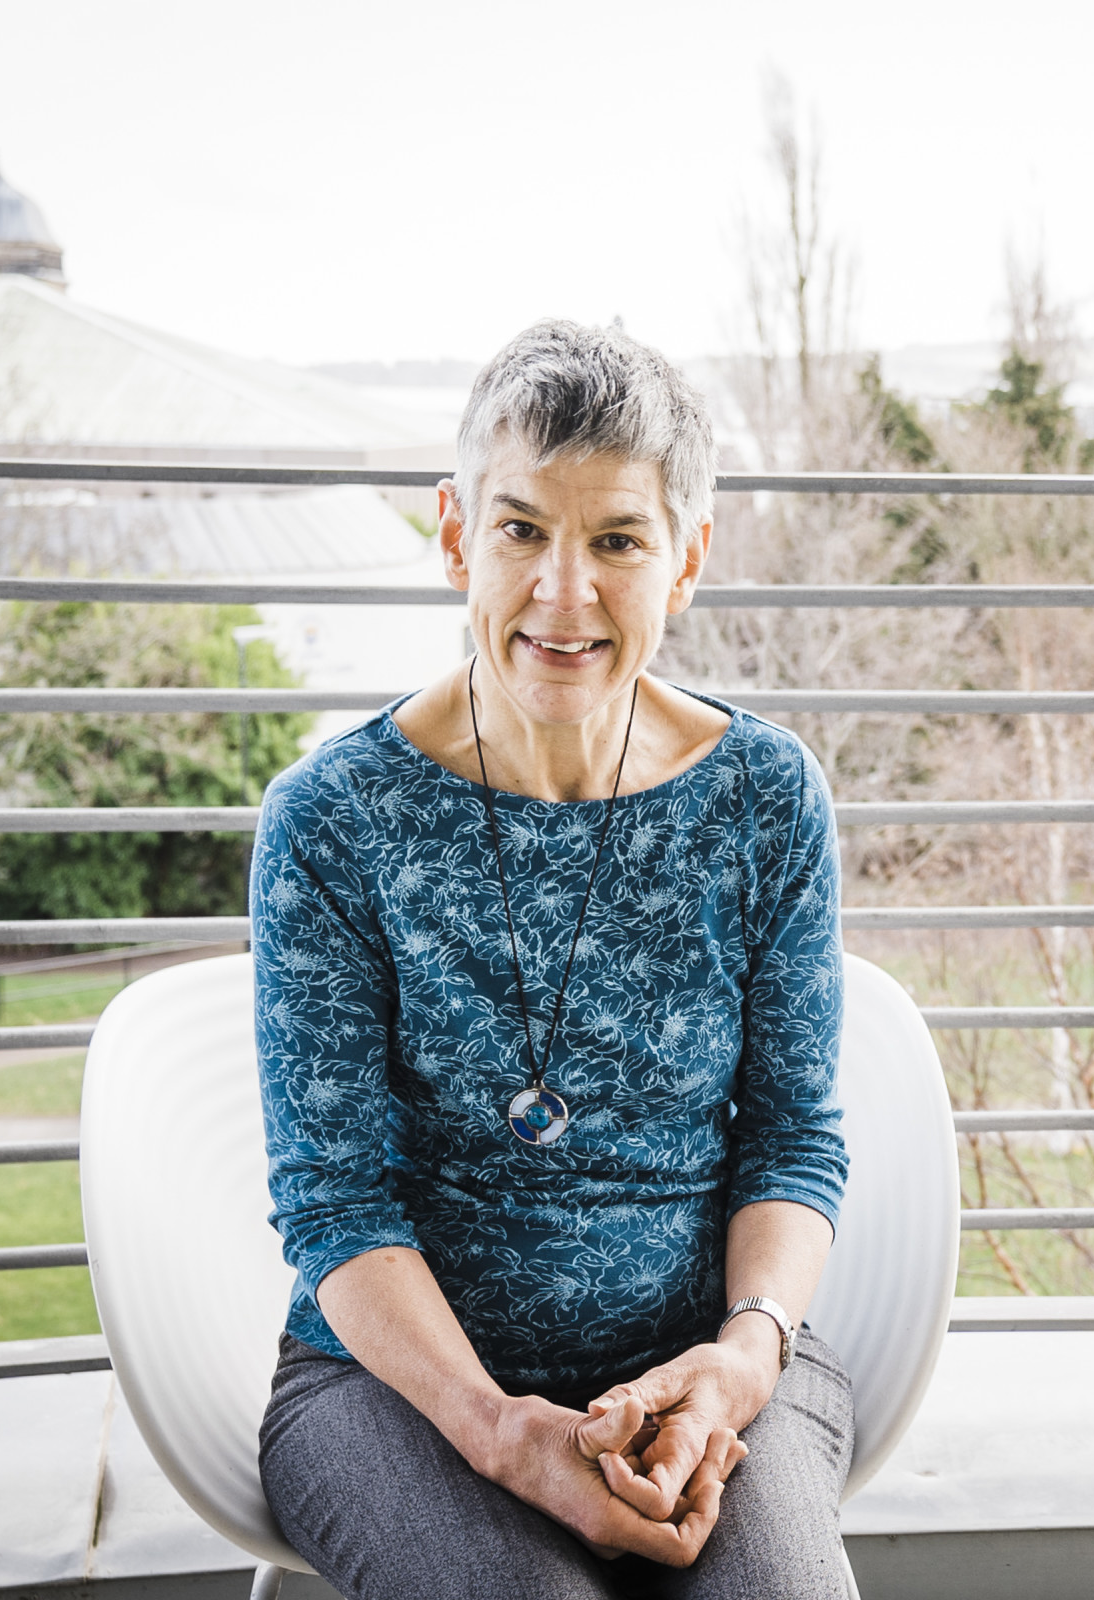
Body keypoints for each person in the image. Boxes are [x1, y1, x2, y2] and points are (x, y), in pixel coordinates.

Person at [250, 320, 854, 1598]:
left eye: (618, 540)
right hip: (396, 1393)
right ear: (457, 532)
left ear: (686, 559)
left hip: (707, 1363)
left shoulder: (767, 798)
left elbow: (794, 1139)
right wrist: (502, 1430)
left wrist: (742, 1361)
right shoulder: (330, 819)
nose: (563, 593)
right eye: (522, 529)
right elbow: (334, 1202)